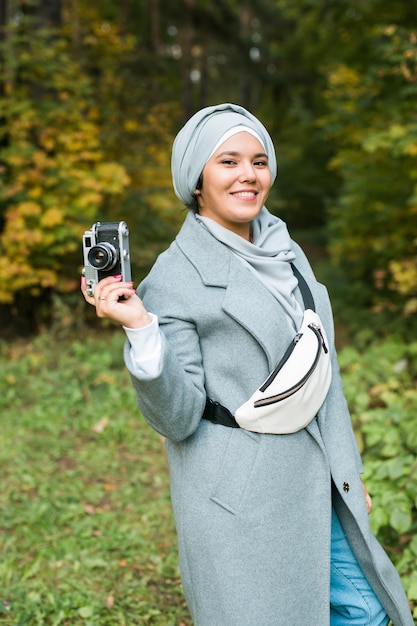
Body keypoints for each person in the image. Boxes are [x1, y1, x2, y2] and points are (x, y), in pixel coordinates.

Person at [81, 103, 414, 626]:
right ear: (197, 179)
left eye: (259, 162)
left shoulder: (286, 250)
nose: (248, 176)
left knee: (366, 610)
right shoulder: (174, 277)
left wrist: (351, 471)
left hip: (319, 474)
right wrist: (142, 329)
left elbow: (323, 371)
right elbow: (178, 418)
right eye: (228, 162)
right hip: (243, 498)